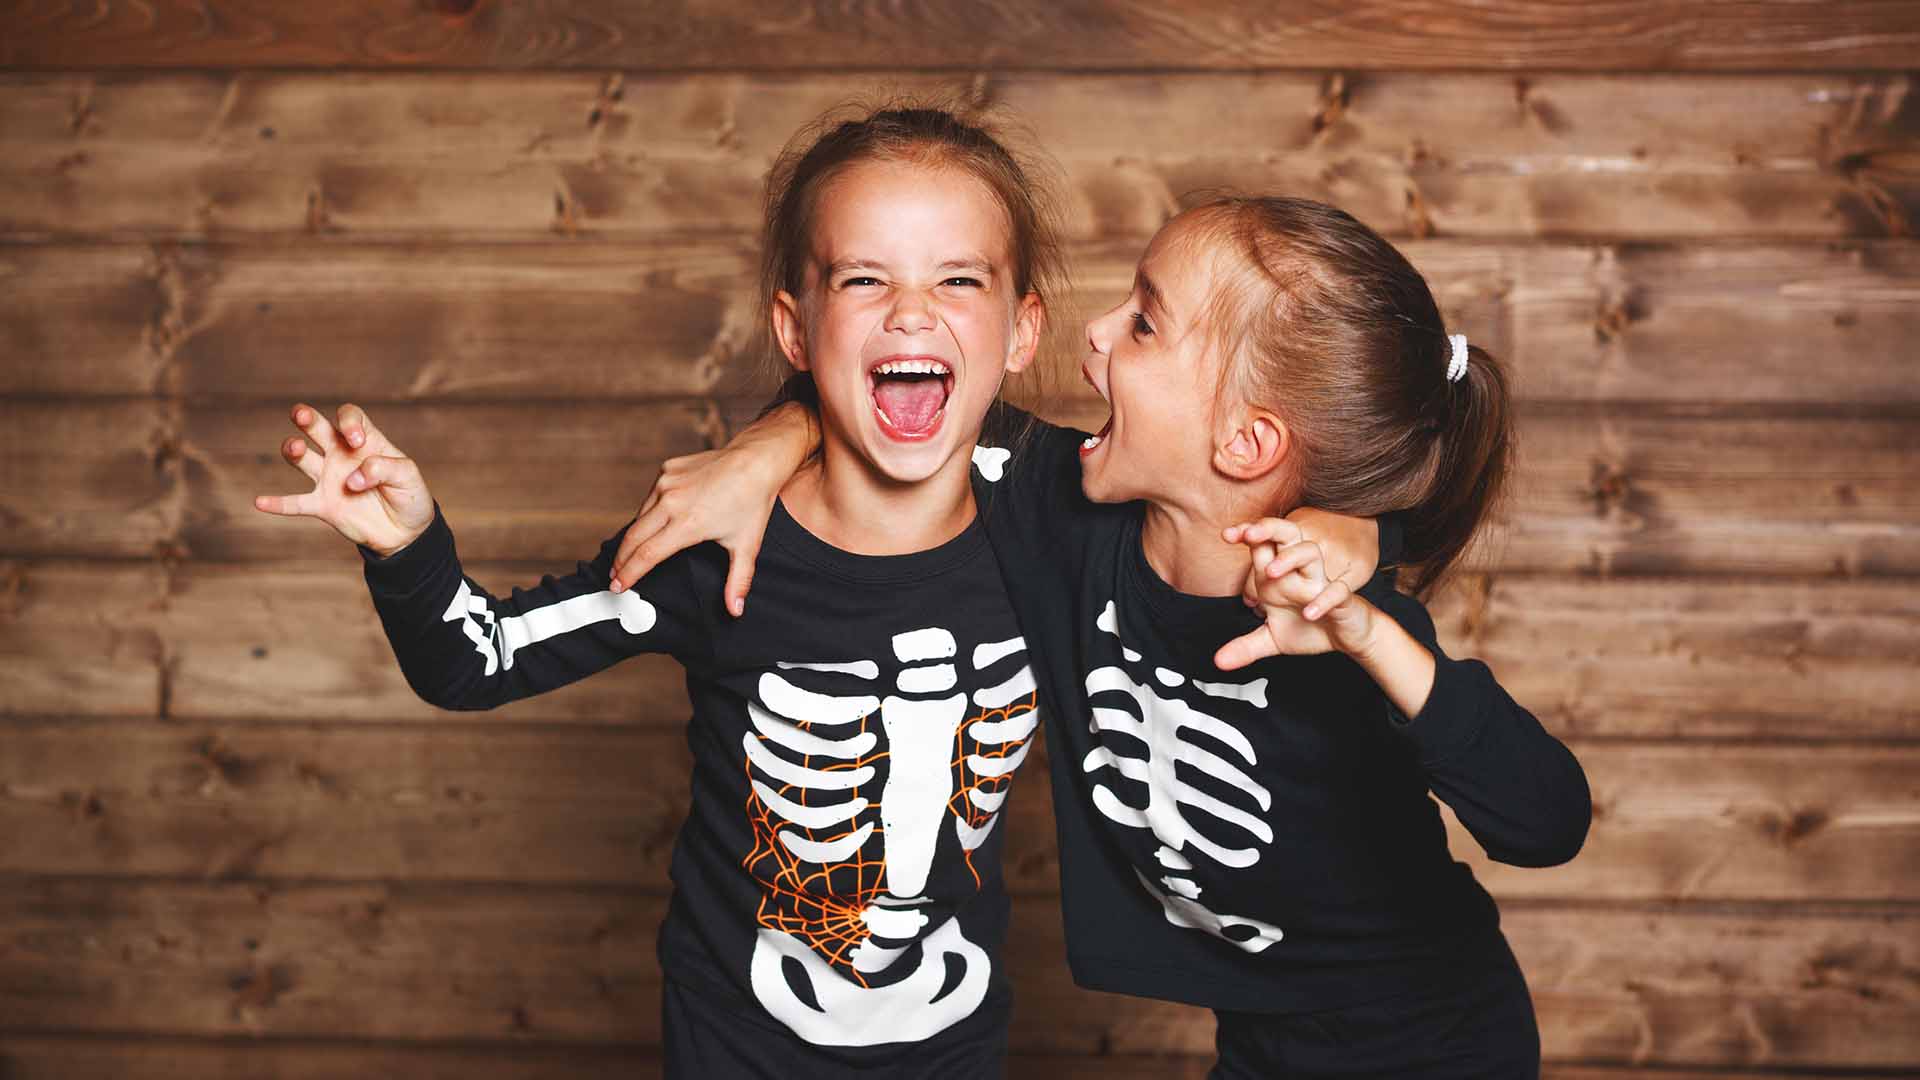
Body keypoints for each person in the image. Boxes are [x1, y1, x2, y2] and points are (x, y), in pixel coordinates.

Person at [614, 195, 1592, 1078]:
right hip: (1262, 1046)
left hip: (1441, 1047)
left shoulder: (1337, 623)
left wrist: (1377, 637)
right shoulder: (1060, 515)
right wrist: (762, 447)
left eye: (1144, 323)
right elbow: (898, 398)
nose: (1093, 335)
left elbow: (1546, 823)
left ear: (1243, 443)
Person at [255, 103, 1119, 1078]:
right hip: (733, 1047)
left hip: (956, 1046)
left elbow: (1211, 504)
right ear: (795, 328)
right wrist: (408, 545)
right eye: (864, 278)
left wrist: (777, 432)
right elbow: (473, 661)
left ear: (1021, 330)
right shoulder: (713, 547)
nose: (912, 311)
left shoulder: (1063, 512)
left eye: (958, 279)